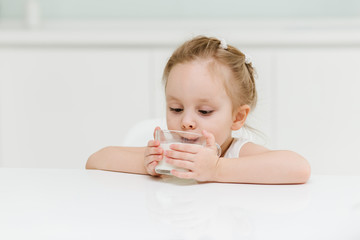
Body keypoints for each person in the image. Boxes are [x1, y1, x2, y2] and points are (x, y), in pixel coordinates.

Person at [86, 36, 311, 184]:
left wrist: (216, 168)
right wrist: (146, 164)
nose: (187, 121)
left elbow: (298, 168)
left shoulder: (234, 152)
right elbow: (96, 160)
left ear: (237, 116)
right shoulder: (169, 153)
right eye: (176, 108)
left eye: (204, 111)